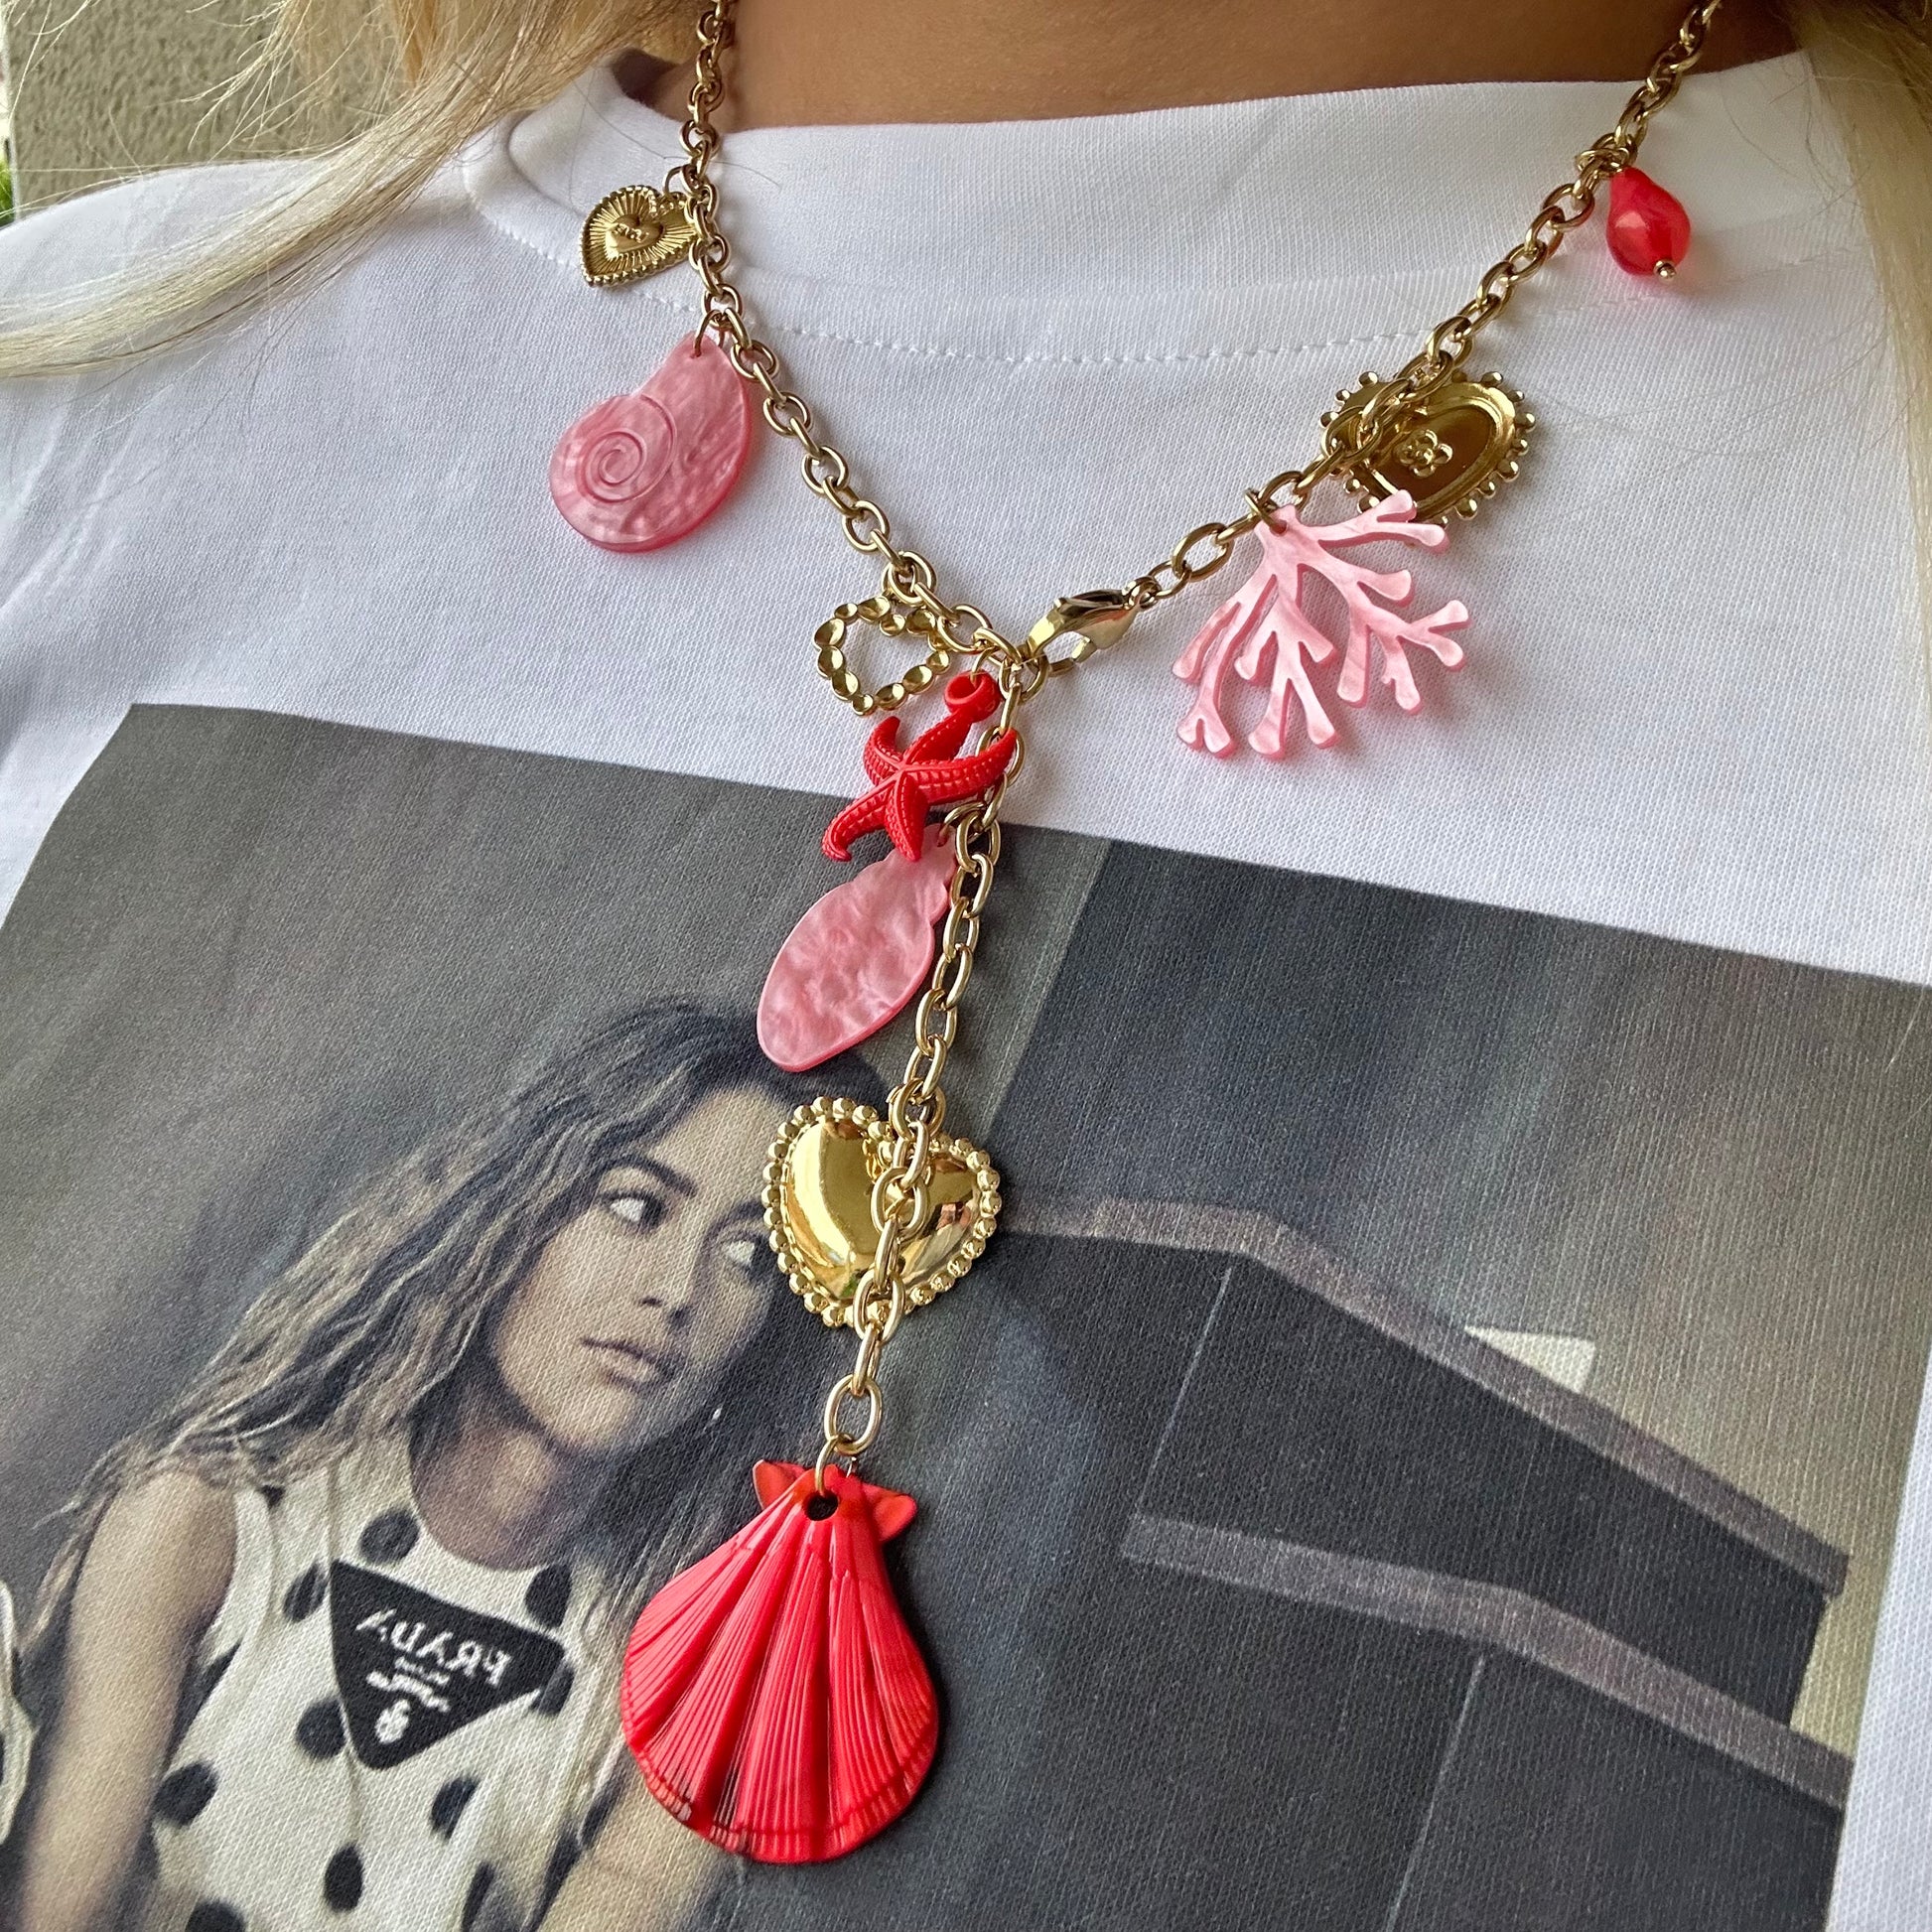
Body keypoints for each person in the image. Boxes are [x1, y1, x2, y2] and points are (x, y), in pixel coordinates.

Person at [8, 1006, 872, 1932]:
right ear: (514, 1215)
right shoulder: (203, 1520)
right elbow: (57, 1915)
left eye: (749, 1255)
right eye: (635, 1207)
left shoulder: (703, 1671)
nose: (676, 1290)